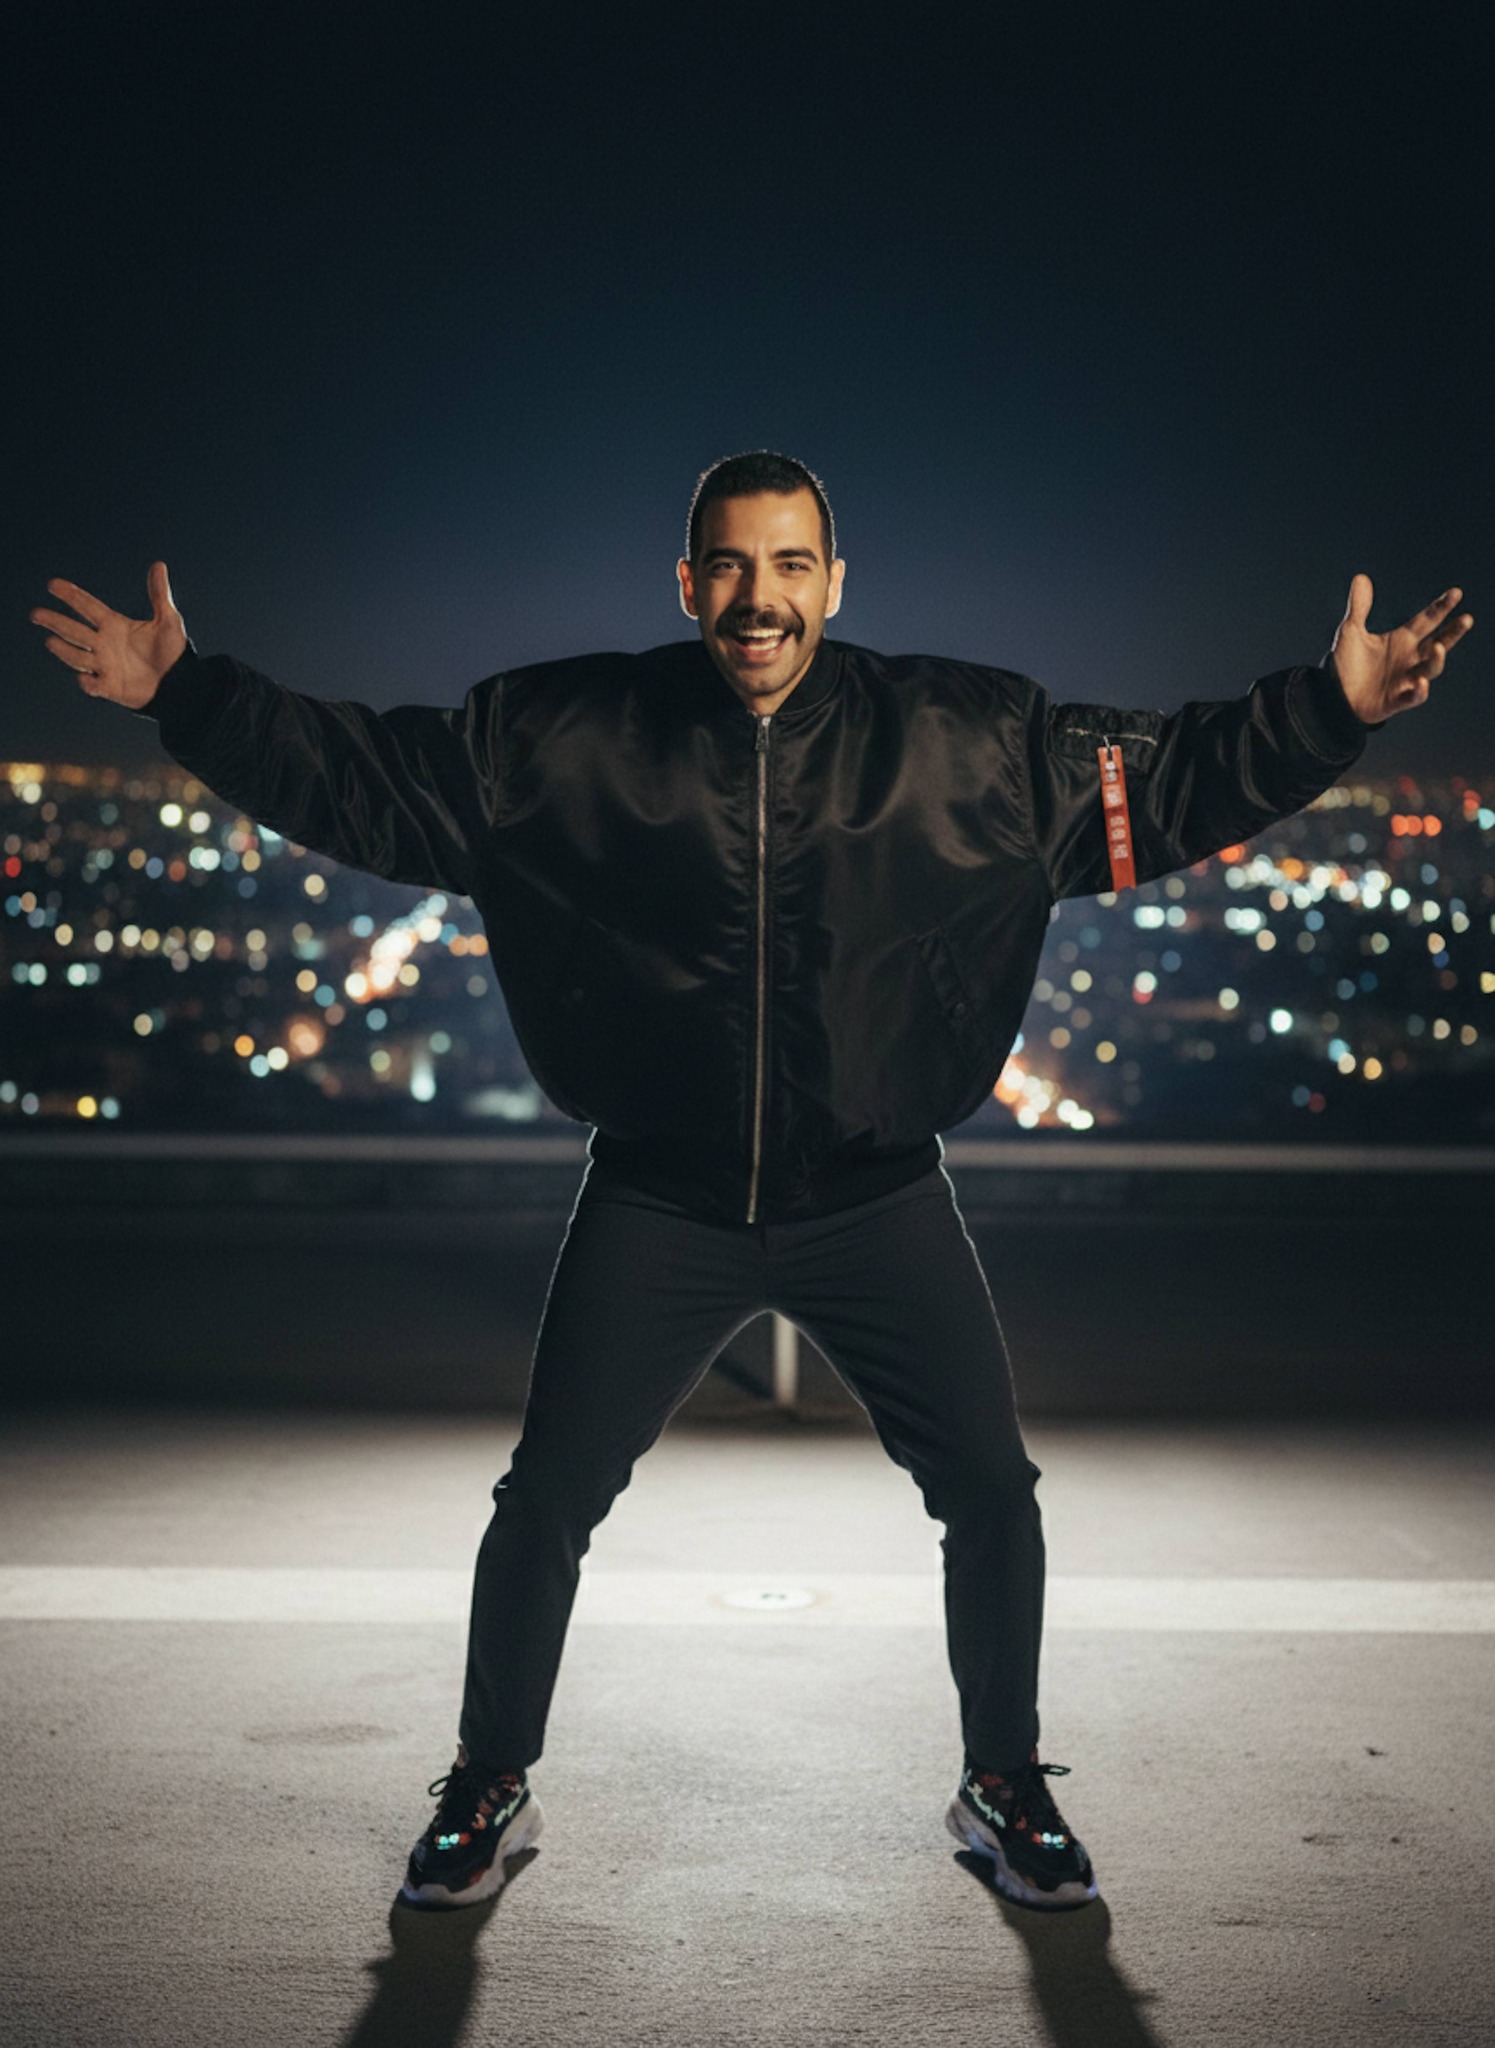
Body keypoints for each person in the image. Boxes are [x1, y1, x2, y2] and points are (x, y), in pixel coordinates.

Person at [31, 452, 1472, 1914]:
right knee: (546, 1498)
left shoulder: (972, 740)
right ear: (687, 583)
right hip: (658, 1198)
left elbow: (1168, 783)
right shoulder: (559, 735)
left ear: (834, 584)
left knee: (991, 1490)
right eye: (728, 564)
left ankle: (1003, 1781)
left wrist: (1332, 711)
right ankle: (487, 1783)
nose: (758, 596)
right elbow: (361, 780)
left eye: (789, 565)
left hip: (877, 1196)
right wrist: (183, 694)